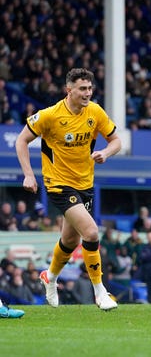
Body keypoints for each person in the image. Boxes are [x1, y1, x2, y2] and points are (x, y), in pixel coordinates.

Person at [15, 68, 120, 311]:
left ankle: (49, 278)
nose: (87, 93)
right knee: (91, 233)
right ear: (69, 90)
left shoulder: (95, 111)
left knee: (70, 240)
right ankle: (100, 292)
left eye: (90, 89)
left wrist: (105, 152)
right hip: (59, 185)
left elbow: (116, 140)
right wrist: (29, 175)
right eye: (82, 89)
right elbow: (21, 140)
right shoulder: (50, 115)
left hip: (86, 185)